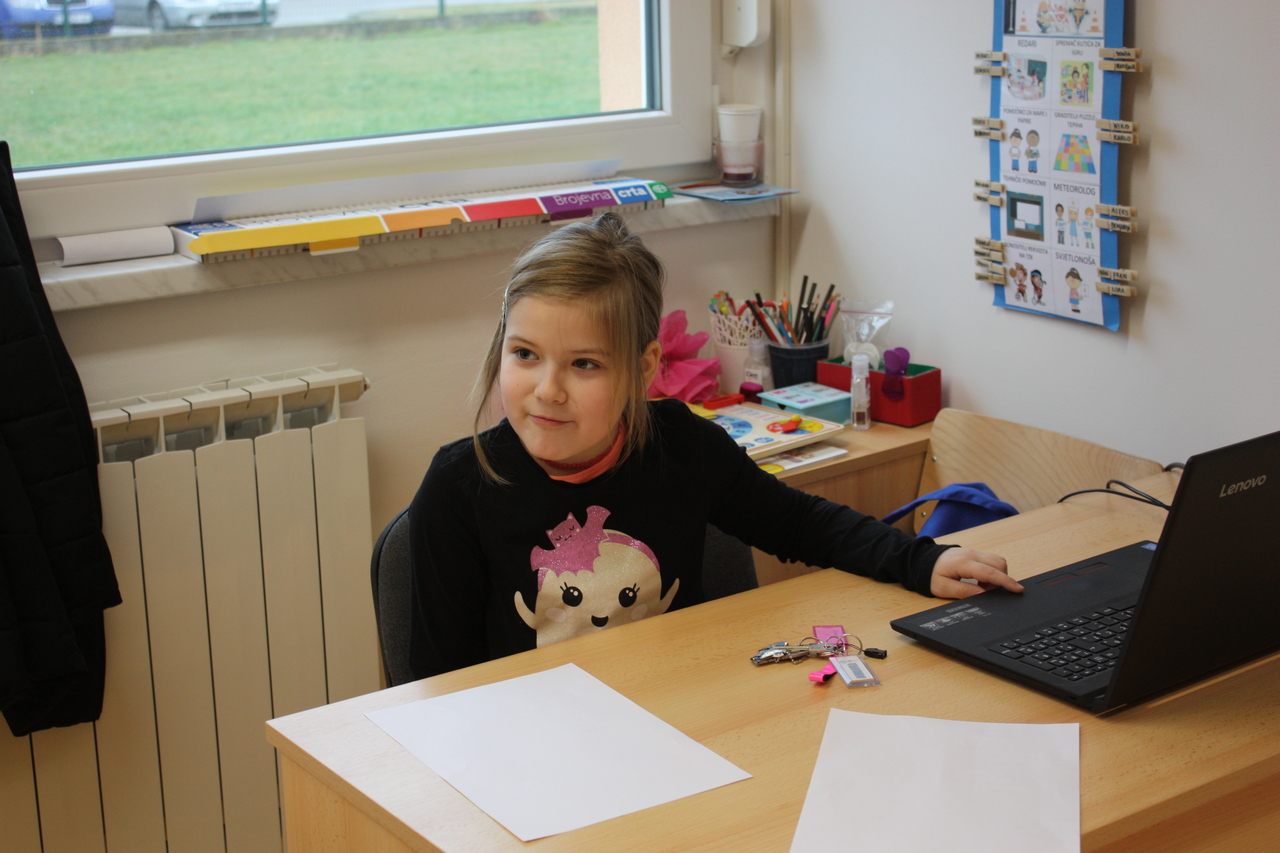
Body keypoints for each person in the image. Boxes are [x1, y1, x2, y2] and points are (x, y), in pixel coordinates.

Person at [407, 213, 1022, 679]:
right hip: (533, 743)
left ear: (643, 368)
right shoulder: (460, 487)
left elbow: (800, 523)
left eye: (585, 364)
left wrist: (921, 560)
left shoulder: (682, 447)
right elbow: (440, 684)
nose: (548, 390)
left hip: (679, 711)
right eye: (525, 354)